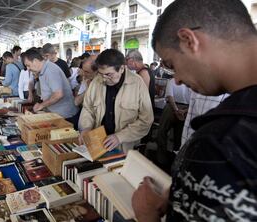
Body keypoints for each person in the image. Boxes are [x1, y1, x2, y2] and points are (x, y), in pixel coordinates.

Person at [132, 0, 257, 221]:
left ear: (189, 40)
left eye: (171, 64)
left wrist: (147, 215)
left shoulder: (221, 141)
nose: (177, 79)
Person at [78, 49, 153, 153]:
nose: (104, 78)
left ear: (122, 68)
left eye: (109, 74)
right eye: (101, 73)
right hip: (98, 143)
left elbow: (146, 120)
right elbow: (88, 108)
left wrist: (120, 137)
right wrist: (86, 128)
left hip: (125, 146)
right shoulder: (97, 81)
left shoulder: (137, 83)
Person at [23, 48, 79, 128]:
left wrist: (42, 105)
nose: (28, 68)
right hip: (58, 114)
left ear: (35, 61)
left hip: (66, 117)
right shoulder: (43, 70)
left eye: (28, 65)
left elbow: (58, 94)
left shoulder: (50, 70)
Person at [156, 78, 190, 171]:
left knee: (162, 132)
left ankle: (161, 159)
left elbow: (170, 96)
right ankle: (176, 160)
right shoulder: (193, 82)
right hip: (186, 109)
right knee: (180, 135)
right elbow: (195, 100)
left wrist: (176, 110)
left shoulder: (172, 80)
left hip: (172, 107)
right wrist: (183, 111)